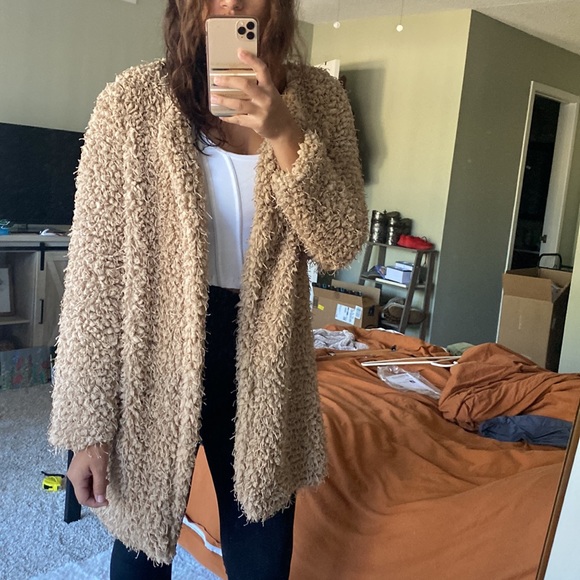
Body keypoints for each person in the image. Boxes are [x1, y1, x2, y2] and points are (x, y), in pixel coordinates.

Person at [49, 0, 367, 578]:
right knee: (139, 552)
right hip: (153, 358)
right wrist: (86, 430)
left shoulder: (319, 100)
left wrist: (284, 131)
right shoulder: (131, 103)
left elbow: (339, 244)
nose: (232, 2)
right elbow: (95, 278)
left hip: (266, 362)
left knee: (263, 557)